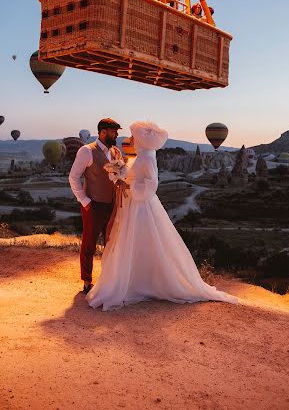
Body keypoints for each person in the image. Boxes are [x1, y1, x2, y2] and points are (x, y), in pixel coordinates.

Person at [86, 121, 238, 310]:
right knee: (132, 242)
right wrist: (118, 174)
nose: (131, 139)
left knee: (140, 241)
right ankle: (136, 279)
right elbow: (133, 175)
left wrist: (128, 186)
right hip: (132, 205)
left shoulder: (148, 157)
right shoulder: (139, 155)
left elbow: (151, 185)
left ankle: (142, 282)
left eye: (133, 136)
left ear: (141, 138)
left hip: (140, 207)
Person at [69, 117, 122, 294]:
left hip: (112, 205)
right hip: (93, 205)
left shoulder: (115, 152)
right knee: (89, 245)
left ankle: (108, 281)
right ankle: (87, 282)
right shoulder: (86, 151)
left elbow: (119, 177)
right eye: (114, 132)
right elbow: (73, 177)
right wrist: (85, 201)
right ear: (103, 132)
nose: (116, 135)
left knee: (111, 245)